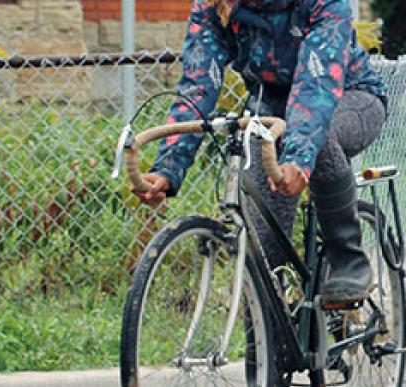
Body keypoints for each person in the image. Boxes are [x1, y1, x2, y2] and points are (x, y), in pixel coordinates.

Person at [133, 0, 388, 309]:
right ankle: (268, 350)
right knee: (263, 260)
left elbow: (316, 86)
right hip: (271, 115)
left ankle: (347, 258)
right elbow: (198, 87)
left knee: (321, 138)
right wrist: (167, 169)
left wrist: (298, 158)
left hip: (350, 96)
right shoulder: (214, 6)